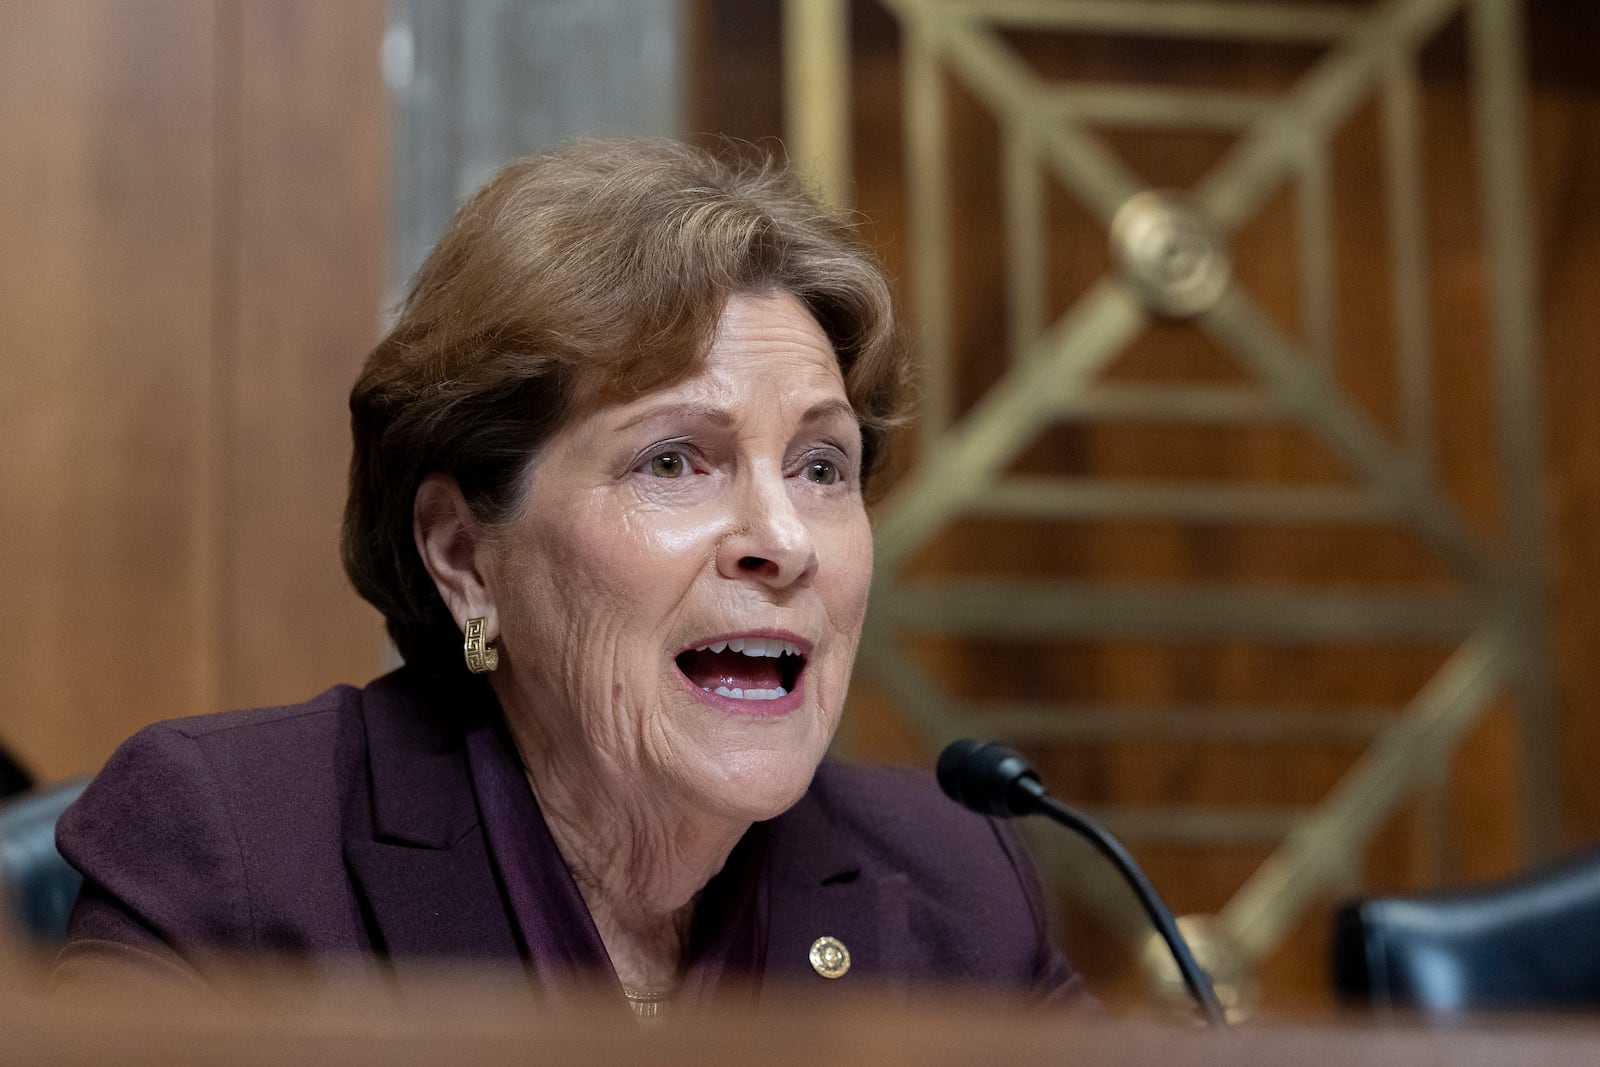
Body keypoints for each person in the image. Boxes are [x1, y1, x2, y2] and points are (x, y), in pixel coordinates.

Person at [55, 139, 1082, 1014]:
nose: (784, 537)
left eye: (821, 467)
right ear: (462, 555)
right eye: (673, 460)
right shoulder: (228, 853)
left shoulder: (956, 884)